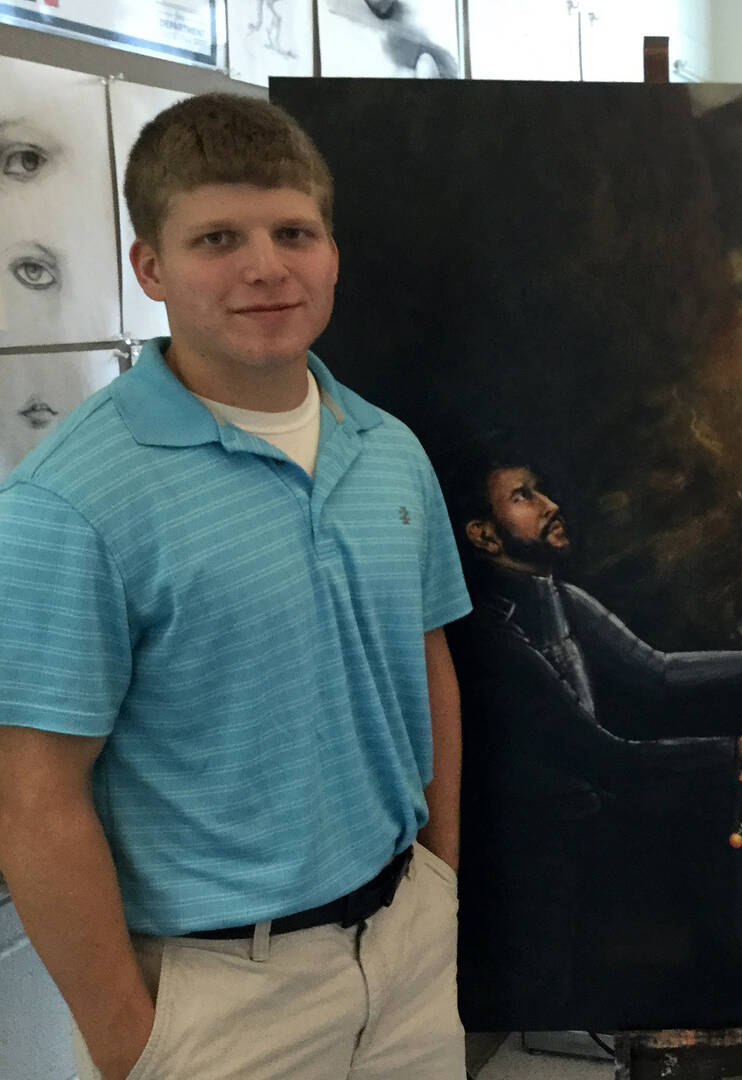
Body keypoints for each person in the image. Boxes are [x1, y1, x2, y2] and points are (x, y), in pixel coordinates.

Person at [0, 94, 471, 1080]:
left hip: (407, 949)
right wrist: (133, 1040)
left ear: (332, 253)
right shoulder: (71, 501)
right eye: (218, 237)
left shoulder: (386, 450)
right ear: (150, 267)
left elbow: (424, 666)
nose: (266, 266)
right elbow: (32, 797)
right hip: (219, 995)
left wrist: (437, 878)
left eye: (293, 231)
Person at [444, 451, 742, 1025]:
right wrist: (732, 751)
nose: (550, 506)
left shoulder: (561, 598)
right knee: (536, 1004)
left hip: (585, 805)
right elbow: (601, 754)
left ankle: (720, 956)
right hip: (528, 840)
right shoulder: (490, 633)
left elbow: (655, 668)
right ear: (484, 535)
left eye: (540, 490)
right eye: (523, 496)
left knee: (712, 791)